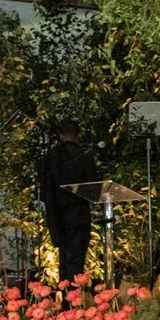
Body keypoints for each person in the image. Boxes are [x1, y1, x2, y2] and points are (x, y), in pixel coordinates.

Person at [39, 120, 96, 280]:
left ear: (60, 135)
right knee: (76, 260)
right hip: (78, 214)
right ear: (78, 134)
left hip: (57, 214)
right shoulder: (84, 155)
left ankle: (64, 291)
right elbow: (92, 187)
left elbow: (44, 188)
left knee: (64, 258)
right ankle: (74, 291)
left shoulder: (50, 157)